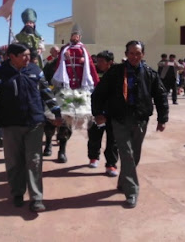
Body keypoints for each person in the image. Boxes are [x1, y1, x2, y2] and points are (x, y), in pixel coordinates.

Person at [0, 43, 63, 213]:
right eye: (24, 55)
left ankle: (36, 198)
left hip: (34, 122)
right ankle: (18, 192)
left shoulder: (35, 71)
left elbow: (46, 92)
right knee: (14, 161)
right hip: (10, 124)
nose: (28, 58)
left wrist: (56, 111)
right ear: (12, 56)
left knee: (34, 161)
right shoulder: (0, 73)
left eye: (29, 55)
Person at [91, 40, 168, 209]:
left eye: (138, 53)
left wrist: (163, 118)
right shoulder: (115, 72)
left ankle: (123, 180)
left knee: (135, 155)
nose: (134, 56)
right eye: (131, 53)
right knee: (127, 154)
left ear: (143, 55)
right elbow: (99, 93)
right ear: (126, 54)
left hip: (140, 119)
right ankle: (132, 191)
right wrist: (98, 113)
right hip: (119, 119)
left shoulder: (150, 73)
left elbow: (160, 96)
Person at [49, 27, 99, 162]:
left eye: (77, 35)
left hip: (80, 91)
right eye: (73, 35)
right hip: (65, 90)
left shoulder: (84, 51)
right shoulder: (64, 50)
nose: (75, 37)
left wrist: (96, 84)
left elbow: (91, 69)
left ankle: (91, 155)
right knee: (64, 119)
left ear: (80, 37)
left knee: (84, 119)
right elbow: (57, 68)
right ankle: (61, 150)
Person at [87, 50, 119, 176]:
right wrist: (97, 112)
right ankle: (93, 157)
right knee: (94, 136)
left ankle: (111, 164)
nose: (98, 64)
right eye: (97, 61)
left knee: (113, 140)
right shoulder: (93, 72)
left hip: (112, 113)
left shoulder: (117, 75)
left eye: (101, 61)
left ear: (110, 62)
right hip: (96, 111)